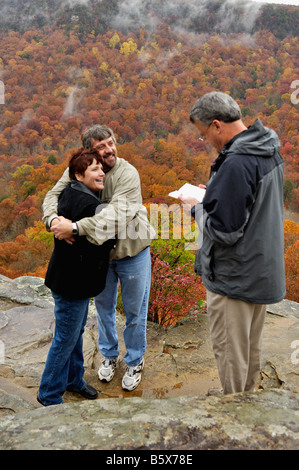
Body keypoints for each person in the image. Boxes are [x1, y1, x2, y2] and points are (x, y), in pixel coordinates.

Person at [179, 91, 286, 395]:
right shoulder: (266, 148)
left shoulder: (237, 162)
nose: (205, 142)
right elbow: (252, 206)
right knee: (249, 349)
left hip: (234, 276)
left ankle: (235, 415)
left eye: (203, 135)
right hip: (259, 268)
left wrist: (195, 208)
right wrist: (215, 192)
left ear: (216, 125)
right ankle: (248, 403)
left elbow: (225, 231)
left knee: (230, 353)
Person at [42, 125, 155, 392]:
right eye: (101, 146)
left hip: (132, 252)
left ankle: (135, 361)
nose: (109, 150)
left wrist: (75, 228)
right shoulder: (83, 169)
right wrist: (53, 219)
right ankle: (109, 355)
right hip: (99, 257)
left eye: (111, 143)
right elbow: (52, 196)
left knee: (135, 311)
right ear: (89, 152)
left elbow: (115, 217)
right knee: (104, 310)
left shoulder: (127, 174)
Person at [38, 148, 115, 406]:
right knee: (65, 338)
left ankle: (73, 380)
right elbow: (102, 241)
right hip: (72, 283)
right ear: (79, 175)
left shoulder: (72, 193)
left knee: (74, 332)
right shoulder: (87, 204)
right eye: (94, 169)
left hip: (72, 281)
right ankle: (49, 394)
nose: (101, 172)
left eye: (101, 168)